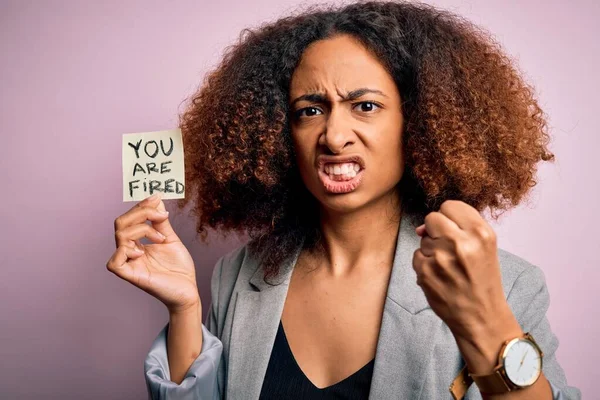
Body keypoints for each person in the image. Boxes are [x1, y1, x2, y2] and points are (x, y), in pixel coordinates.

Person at [107, 1, 581, 399]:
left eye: (365, 106)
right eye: (309, 110)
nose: (333, 136)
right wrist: (184, 309)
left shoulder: (508, 283)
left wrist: (490, 326)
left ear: (416, 124)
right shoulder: (239, 274)